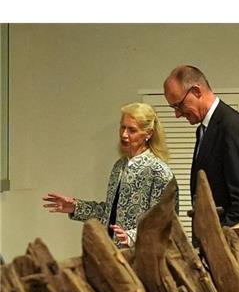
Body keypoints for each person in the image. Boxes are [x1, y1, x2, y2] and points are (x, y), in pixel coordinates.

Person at [42, 103, 176, 247]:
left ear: (148, 134)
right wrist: (76, 207)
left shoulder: (159, 172)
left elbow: (164, 222)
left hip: (142, 259)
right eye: (122, 127)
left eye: (132, 130)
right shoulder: (119, 166)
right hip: (112, 253)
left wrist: (131, 236)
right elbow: (109, 213)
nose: (124, 135)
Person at [163, 65, 239, 228]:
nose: (177, 114)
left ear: (197, 91)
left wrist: (216, 238)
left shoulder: (232, 128)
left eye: (179, 105)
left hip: (237, 245)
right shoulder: (204, 129)